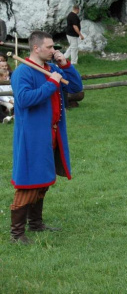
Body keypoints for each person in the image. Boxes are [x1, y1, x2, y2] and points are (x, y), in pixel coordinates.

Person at [9, 30, 83, 244]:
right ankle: (16, 233)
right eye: (50, 47)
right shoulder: (23, 72)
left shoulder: (51, 68)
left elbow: (77, 88)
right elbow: (23, 100)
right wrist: (51, 83)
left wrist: (65, 64)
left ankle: (36, 224)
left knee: (42, 181)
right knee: (29, 182)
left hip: (51, 133)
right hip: (32, 135)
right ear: (36, 48)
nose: (54, 50)